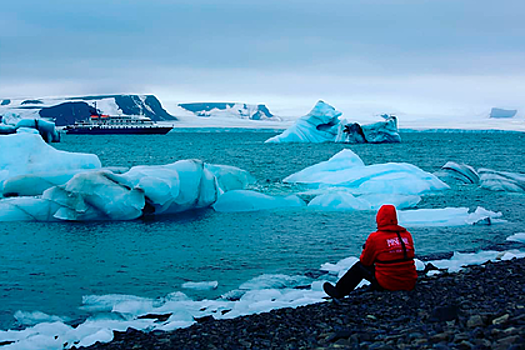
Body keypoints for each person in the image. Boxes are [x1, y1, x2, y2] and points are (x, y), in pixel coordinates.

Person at [323, 204, 417, 299]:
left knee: (359, 267)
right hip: (409, 282)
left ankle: (339, 291)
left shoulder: (375, 237)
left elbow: (365, 261)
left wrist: (367, 249)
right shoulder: (407, 235)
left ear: (379, 218)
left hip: (389, 284)